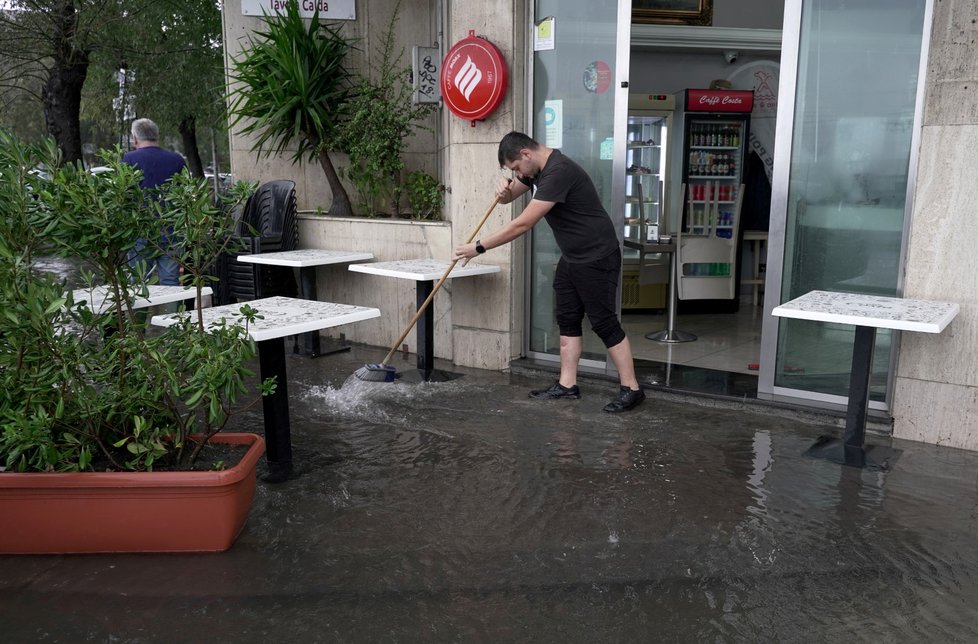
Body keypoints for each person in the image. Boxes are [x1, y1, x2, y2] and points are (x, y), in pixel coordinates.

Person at [454, 131, 645, 413]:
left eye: (516, 167)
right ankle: (567, 386)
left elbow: (523, 224)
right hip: (572, 257)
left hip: (597, 256)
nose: (517, 173)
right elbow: (509, 199)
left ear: (526, 154)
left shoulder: (559, 171)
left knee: (603, 322)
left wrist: (479, 247)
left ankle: (632, 389)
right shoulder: (534, 171)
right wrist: (503, 191)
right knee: (567, 318)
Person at [122, 118, 186, 286]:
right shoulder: (177, 160)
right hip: (171, 231)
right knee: (171, 281)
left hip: (141, 232)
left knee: (138, 282)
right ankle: (171, 313)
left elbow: (123, 196)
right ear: (157, 135)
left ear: (134, 137)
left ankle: (139, 313)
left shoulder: (128, 160)